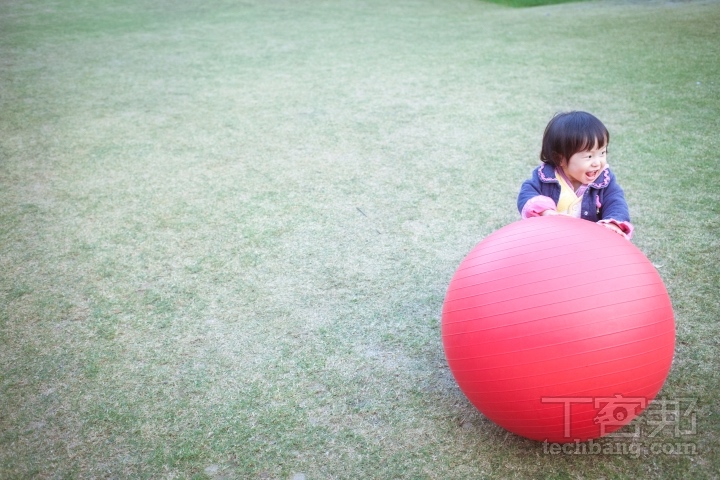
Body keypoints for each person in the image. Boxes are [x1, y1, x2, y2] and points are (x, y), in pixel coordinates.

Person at [517, 111, 634, 239]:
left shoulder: (604, 179)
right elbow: (527, 194)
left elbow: (616, 202)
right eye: (589, 156)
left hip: (586, 241)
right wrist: (546, 211)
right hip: (549, 239)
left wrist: (613, 223)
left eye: (602, 153)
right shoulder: (546, 176)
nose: (597, 163)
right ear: (560, 158)